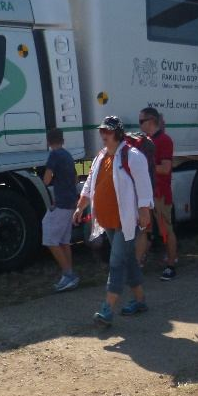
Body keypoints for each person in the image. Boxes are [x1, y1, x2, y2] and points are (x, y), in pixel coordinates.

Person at [75, 116, 153, 328]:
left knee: (116, 261)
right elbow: (90, 183)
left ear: (117, 133)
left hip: (127, 221)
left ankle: (107, 309)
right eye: (102, 131)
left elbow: (144, 186)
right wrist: (80, 206)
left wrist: (144, 210)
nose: (103, 135)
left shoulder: (133, 156)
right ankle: (140, 301)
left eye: (107, 132)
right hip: (107, 220)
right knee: (127, 260)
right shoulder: (101, 157)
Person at [138, 107, 178, 281]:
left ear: (151, 121)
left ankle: (171, 264)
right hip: (147, 194)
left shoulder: (164, 140)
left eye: (141, 121)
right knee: (144, 231)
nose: (140, 125)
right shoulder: (145, 141)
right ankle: (137, 264)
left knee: (165, 231)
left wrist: (146, 167)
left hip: (160, 194)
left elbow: (166, 168)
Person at [42, 128, 79, 292]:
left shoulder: (54, 155)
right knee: (64, 240)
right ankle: (69, 275)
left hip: (62, 203)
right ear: (62, 140)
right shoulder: (68, 155)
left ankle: (69, 275)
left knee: (49, 237)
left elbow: (47, 178)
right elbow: (76, 178)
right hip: (71, 201)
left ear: (48, 142)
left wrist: (47, 179)